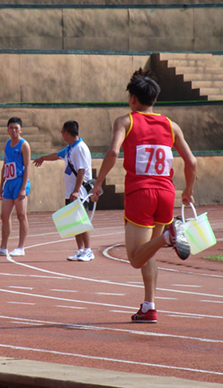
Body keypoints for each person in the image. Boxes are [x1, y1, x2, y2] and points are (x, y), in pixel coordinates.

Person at [90, 69, 197, 323]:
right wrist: (188, 191)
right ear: (155, 100)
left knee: (136, 258)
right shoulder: (172, 125)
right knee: (147, 251)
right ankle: (149, 306)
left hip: (141, 193)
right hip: (166, 193)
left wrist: (98, 183)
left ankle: (170, 236)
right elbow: (191, 161)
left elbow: (114, 152)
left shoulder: (125, 121)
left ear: (132, 99)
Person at [34, 120, 94, 261]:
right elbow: (57, 155)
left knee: (81, 220)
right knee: (74, 221)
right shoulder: (70, 148)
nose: (61, 134)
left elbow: (81, 170)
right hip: (71, 191)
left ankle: (88, 250)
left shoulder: (79, 148)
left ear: (66, 133)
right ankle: (80, 250)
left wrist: (76, 190)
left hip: (79, 191)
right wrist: (43, 158)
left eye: (62, 132)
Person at [0, 117, 31, 257]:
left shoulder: (24, 145)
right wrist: (1, 185)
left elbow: (27, 167)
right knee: (4, 216)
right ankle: (3, 247)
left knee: (21, 215)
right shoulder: (7, 144)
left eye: (16, 128)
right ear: (7, 129)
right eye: (11, 128)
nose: (13, 130)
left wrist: (23, 188)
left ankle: (21, 247)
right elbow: (5, 165)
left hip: (20, 181)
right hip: (9, 183)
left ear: (20, 129)